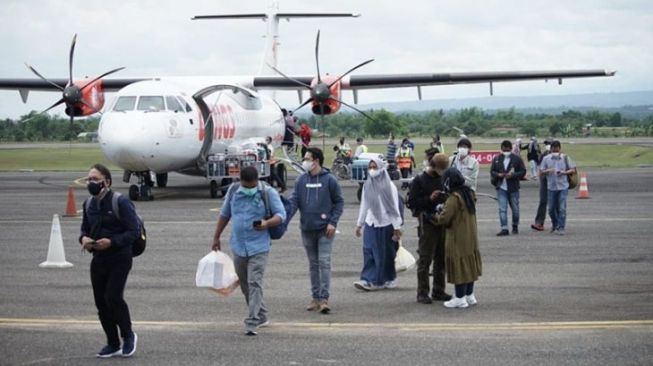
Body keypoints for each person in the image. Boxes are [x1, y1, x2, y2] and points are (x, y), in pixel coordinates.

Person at [211, 166, 286, 336]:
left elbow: (281, 215)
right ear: (240, 181)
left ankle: (252, 322)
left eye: (252, 186)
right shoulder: (234, 190)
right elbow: (224, 214)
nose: (249, 189)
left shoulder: (268, 193)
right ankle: (262, 315)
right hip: (238, 246)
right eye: (246, 186)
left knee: (255, 282)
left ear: (257, 181)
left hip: (259, 247)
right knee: (245, 284)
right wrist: (216, 237)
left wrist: (266, 223)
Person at [79, 163, 139, 358]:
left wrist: (112, 242)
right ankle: (112, 342)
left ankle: (128, 336)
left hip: (120, 256)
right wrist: (84, 239)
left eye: (95, 179)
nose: (91, 182)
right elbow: (84, 229)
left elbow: (134, 231)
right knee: (100, 302)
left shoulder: (120, 202)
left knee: (113, 297)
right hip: (99, 257)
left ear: (107, 181)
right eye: (89, 179)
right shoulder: (88, 204)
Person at [289, 147, 344, 313]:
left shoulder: (330, 180)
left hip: (325, 229)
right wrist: (281, 219)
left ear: (316, 161)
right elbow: (294, 202)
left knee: (324, 263)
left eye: (307, 158)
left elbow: (339, 202)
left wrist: (333, 222)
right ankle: (315, 297)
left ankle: (324, 298)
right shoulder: (300, 180)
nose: (305, 162)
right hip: (307, 228)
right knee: (313, 264)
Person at [430, 168, 482, 309]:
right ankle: (469, 295)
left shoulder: (454, 198)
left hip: (458, 237)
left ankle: (459, 297)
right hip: (470, 236)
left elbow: (444, 218)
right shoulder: (469, 193)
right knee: (469, 265)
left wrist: (436, 214)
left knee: (459, 267)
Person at [407, 153, 451, 304]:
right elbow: (411, 203)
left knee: (441, 258)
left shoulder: (444, 179)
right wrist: (429, 199)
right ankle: (422, 292)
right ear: (433, 166)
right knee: (425, 259)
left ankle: (439, 290)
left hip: (442, 222)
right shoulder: (419, 180)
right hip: (427, 224)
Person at [354, 157, 402, 291]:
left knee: (384, 254)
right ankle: (368, 279)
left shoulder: (389, 186)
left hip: (385, 224)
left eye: (375, 167)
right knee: (369, 251)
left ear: (381, 169)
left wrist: (396, 227)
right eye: (370, 167)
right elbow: (364, 205)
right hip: (371, 223)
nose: (372, 170)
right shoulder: (367, 185)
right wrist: (360, 224)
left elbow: (393, 208)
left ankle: (386, 279)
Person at [539, 140, 577, 235]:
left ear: (560, 149)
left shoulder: (565, 157)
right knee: (551, 209)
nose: (555, 150)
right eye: (554, 149)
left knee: (562, 208)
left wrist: (564, 172)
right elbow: (540, 172)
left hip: (563, 186)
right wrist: (548, 170)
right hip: (551, 187)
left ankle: (561, 226)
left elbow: (573, 169)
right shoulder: (546, 158)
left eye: (557, 149)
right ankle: (555, 223)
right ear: (551, 149)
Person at [490, 140, 527, 236]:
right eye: (504, 149)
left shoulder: (517, 159)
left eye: (507, 149)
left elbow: (523, 171)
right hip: (501, 187)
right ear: (501, 149)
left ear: (511, 149)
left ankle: (515, 226)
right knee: (502, 209)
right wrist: (498, 174)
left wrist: (513, 175)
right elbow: (492, 171)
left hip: (513, 188)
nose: (505, 151)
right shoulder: (497, 159)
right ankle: (504, 228)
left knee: (515, 209)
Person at [531, 139, 552, 231]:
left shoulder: (561, 156)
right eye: (546, 144)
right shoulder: (544, 155)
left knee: (556, 204)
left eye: (549, 144)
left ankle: (559, 223)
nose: (547, 145)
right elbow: (539, 165)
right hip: (544, 181)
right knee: (543, 201)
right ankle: (539, 223)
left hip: (556, 182)